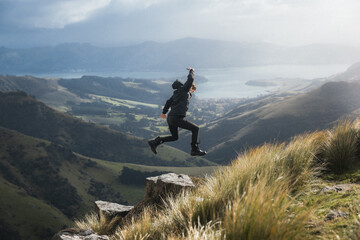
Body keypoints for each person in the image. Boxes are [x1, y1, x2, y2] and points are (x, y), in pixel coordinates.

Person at [148, 67, 206, 156]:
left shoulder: (176, 94)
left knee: (175, 137)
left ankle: (155, 142)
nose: (192, 92)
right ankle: (194, 149)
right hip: (176, 118)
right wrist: (191, 71)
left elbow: (168, 102)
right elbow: (191, 78)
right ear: (188, 86)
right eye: (192, 90)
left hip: (170, 118)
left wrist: (164, 112)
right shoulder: (184, 90)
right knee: (196, 128)